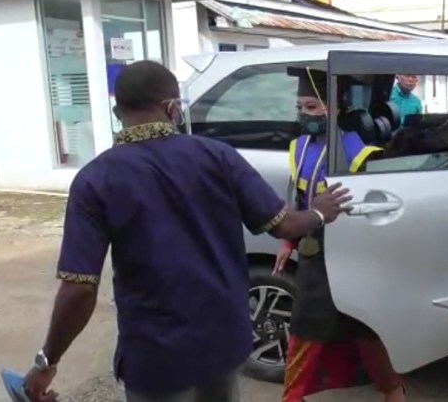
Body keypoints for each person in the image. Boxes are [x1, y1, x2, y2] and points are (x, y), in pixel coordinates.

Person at [23, 61, 352, 402]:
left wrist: (47, 360)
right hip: (225, 340)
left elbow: (78, 288)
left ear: (118, 111)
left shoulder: (95, 180)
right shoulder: (219, 156)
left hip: (158, 356)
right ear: (172, 108)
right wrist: (318, 211)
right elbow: (284, 225)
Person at [274, 68, 407, 402]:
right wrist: (288, 241)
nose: (304, 116)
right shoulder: (298, 147)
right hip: (313, 255)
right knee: (305, 329)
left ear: (334, 107)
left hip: (352, 254)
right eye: (300, 108)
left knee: (363, 326)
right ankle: (292, 397)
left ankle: (393, 390)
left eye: (312, 108)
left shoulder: (360, 153)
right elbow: (299, 200)